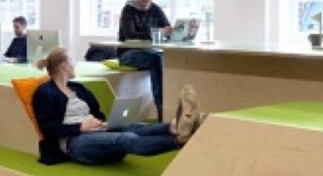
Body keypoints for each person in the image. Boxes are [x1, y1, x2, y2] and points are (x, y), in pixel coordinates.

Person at [31, 47, 203, 166]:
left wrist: (102, 123)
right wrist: (81, 126)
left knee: (134, 127)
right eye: (71, 60)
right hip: (74, 145)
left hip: (95, 132)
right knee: (126, 138)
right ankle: (178, 140)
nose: (74, 64)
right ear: (63, 65)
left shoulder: (78, 88)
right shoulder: (44, 92)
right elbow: (48, 129)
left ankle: (175, 126)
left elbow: (97, 113)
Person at [117, 0, 172, 120]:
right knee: (156, 59)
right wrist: (158, 33)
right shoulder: (128, 10)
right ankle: (161, 108)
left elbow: (167, 28)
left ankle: (169, 104)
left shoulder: (156, 9)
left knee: (165, 58)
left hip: (147, 52)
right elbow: (130, 35)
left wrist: (169, 32)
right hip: (127, 54)